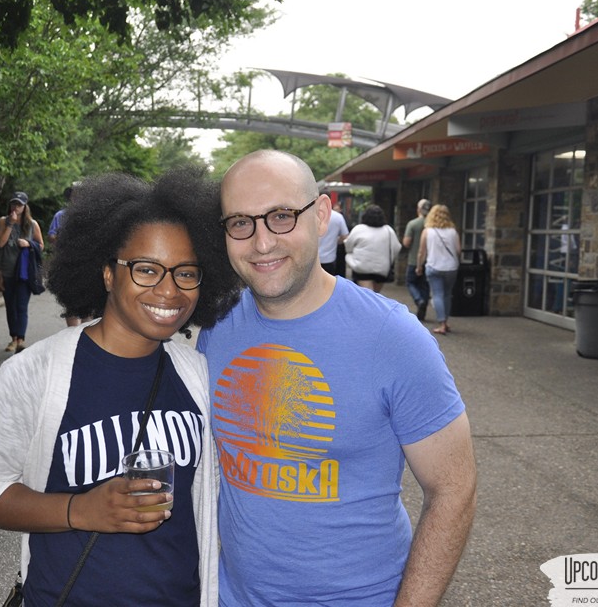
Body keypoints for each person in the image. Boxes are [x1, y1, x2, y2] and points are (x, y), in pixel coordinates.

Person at [0, 166, 241, 607]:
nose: (169, 291)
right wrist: (80, 510)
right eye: (146, 269)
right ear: (108, 274)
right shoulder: (34, 374)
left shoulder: (197, 374)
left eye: (186, 272)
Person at [196, 150, 476, 607]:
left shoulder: (393, 336)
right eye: (241, 223)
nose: (262, 242)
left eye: (281, 216)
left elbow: (453, 489)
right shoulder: (218, 325)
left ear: (322, 215)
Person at [0, 191, 45, 353]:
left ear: (25, 206)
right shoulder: (3, 221)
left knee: (21, 306)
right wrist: (10, 224)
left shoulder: (32, 224)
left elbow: (41, 246)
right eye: (14, 204)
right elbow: (1, 244)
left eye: (19, 204)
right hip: (7, 271)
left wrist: (29, 244)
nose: (16, 207)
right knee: (10, 306)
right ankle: (13, 339)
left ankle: (20, 340)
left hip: (25, 272)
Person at [416, 204, 462, 335]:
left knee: (437, 294)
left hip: (434, 266)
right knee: (447, 294)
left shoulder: (427, 231)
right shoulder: (453, 231)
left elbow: (421, 252)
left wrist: (419, 266)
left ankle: (441, 323)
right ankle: (445, 321)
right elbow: (458, 250)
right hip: (451, 267)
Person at [48, 185, 84, 326]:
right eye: (75, 194)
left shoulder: (91, 215)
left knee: (88, 308)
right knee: (71, 303)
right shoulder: (60, 216)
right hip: (67, 264)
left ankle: (85, 338)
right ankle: (73, 339)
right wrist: (61, 239)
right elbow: (51, 236)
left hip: (87, 265)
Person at [344, 204, 401, 293]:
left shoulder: (359, 229)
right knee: (375, 296)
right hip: (382, 269)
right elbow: (397, 247)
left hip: (362, 268)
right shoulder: (388, 230)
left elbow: (348, 246)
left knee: (367, 296)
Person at [402, 199, 433, 320]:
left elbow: (406, 242)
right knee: (425, 285)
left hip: (414, 260)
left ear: (418, 209)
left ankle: (418, 300)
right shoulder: (433, 225)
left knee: (410, 282)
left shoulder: (413, 224)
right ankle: (423, 308)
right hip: (429, 261)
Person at [318, 200, 349, 276]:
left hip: (312, 259)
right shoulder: (338, 217)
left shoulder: (310, 216)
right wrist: (337, 241)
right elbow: (345, 236)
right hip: (329, 258)